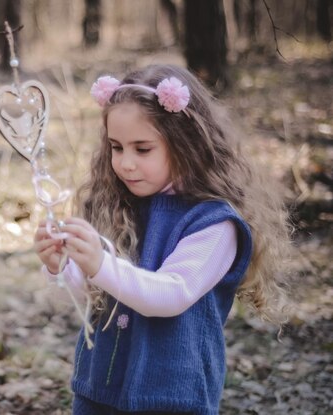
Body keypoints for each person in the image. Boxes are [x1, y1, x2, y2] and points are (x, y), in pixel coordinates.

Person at [33, 64, 291, 415]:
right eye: (116, 147)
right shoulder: (119, 205)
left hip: (172, 398)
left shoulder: (215, 223)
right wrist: (62, 266)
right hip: (99, 389)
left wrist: (99, 263)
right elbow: (95, 295)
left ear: (185, 143)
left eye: (142, 149)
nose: (125, 164)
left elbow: (170, 294)